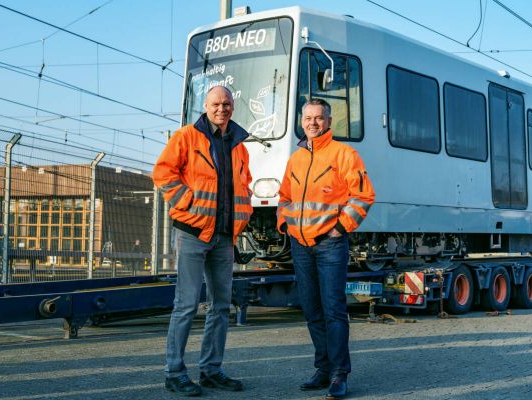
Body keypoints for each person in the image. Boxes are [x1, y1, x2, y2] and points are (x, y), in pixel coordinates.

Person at [153, 85, 253, 397]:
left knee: (221, 305)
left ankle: (211, 370)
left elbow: (244, 184)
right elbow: (163, 173)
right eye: (215, 104)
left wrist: (243, 213)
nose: (221, 109)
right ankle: (174, 372)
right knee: (186, 305)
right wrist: (188, 201)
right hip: (193, 231)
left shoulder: (239, 145)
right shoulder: (186, 136)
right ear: (205, 106)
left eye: (226, 104)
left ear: (232, 107)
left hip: (224, 236)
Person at [277, 99, 375, 399]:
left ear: (329, 122)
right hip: (301, 245)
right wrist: (285, 225)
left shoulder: (344, 154)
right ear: (301, 121)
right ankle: (322, 367)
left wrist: (340, 228)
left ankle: (338, 374)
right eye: (308, 118)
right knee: (311, 309)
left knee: (334, 310)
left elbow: (363, 196)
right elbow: (284, 197)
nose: (313, 123)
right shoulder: (295, 159)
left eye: (319, 118)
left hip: (330, 244)